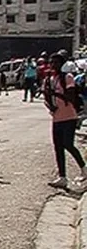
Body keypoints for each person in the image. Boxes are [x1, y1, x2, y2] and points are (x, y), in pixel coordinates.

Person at [43, 52, 86, 189]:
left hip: (69, 116)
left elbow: (71, 96)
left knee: (68, 144)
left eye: (56, 62)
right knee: (58, 147)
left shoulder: (67, 78)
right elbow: (46, 98)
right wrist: (50, 105)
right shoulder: (48, 80)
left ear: (62, 64)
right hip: (57, 118)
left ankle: (84, 168)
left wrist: (56, 94)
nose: (53, 65)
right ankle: (62, 177)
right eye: (51, 62)